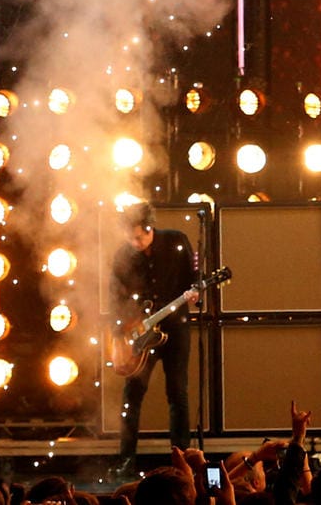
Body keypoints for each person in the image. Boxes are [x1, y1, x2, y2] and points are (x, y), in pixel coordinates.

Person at [113, 203, 200, 476]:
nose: (134, 242)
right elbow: (116, 296)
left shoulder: (176, 241)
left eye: (139, 236)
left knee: (177, 393)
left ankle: (182, 459)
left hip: (175, 328)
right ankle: (126, 459)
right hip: (140, 334)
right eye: (130, 237)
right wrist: (125, 327)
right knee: (132, 394)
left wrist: (196, 291)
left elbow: (193, 277)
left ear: (150, 229)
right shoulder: (123, 255)